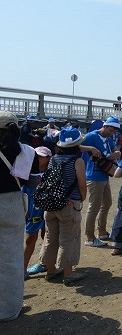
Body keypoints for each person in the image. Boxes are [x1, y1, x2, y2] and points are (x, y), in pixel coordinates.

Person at [39, 127, 89, 285]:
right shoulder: (77, 161)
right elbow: (82, 184)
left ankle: (51, 270)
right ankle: (68, 273)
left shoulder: (54, 159)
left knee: (50, 238)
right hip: (69, 204)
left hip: (51, 203)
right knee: (68, 239)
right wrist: (81, 199)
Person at [0, 111, 37, 321]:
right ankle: (8, 309)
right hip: (12, 205)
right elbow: (31, 182)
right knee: (12, 259)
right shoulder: (27, 152)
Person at [82, 116, 121, 247]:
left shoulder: (108, 138)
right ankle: (90, 237)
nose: (112, 133)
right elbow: (76, 146)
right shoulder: (91, 136)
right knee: (94, 206)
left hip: (105, 174)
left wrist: (116, 152)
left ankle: (102, 231)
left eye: (115, 131)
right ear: (105, 126)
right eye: (111, 130)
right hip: (94, 175)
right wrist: (90, 149)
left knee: (107, 203)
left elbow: (114, 149)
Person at [23, 147, 52, 279]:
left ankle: (45, 263)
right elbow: (22, 193)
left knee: (47, 236)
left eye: (41, 156)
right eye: (36, 156)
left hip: (48, 209)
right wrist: (24, 210)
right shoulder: (26, 172)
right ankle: (22, 270)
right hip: (32, 210)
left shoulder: (52, 172)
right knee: (30, 238)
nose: (37, 158)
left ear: (48, 158)